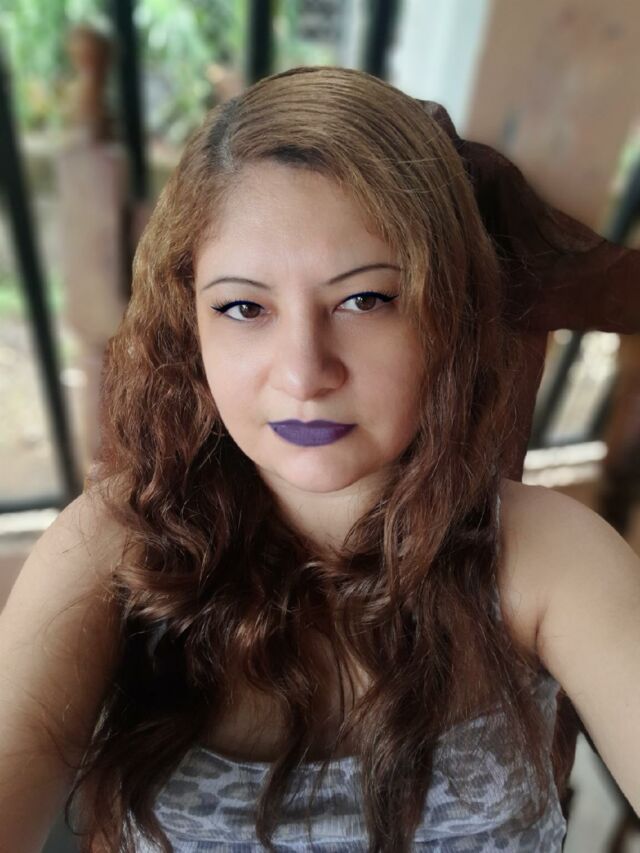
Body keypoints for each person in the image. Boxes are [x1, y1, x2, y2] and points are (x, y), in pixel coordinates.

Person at [1, 65, 639, 853]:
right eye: (244, 306)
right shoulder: (112, 547)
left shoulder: (545, 556)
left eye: (365, 299)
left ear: (448, 311)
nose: (304, 373)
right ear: (190, 323)